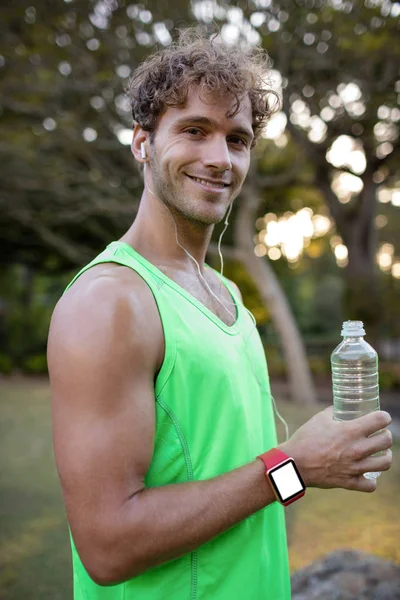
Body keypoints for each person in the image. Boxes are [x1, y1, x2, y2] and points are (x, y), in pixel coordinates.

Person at [47, 28, 393, 600]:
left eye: (238, 139)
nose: (219, 158)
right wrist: (293, 466)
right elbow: (107, 547)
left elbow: (236, 477)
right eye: (194, 130)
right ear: (141, 143)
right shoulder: (109, 302)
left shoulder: (225, 296)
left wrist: (318, 460)